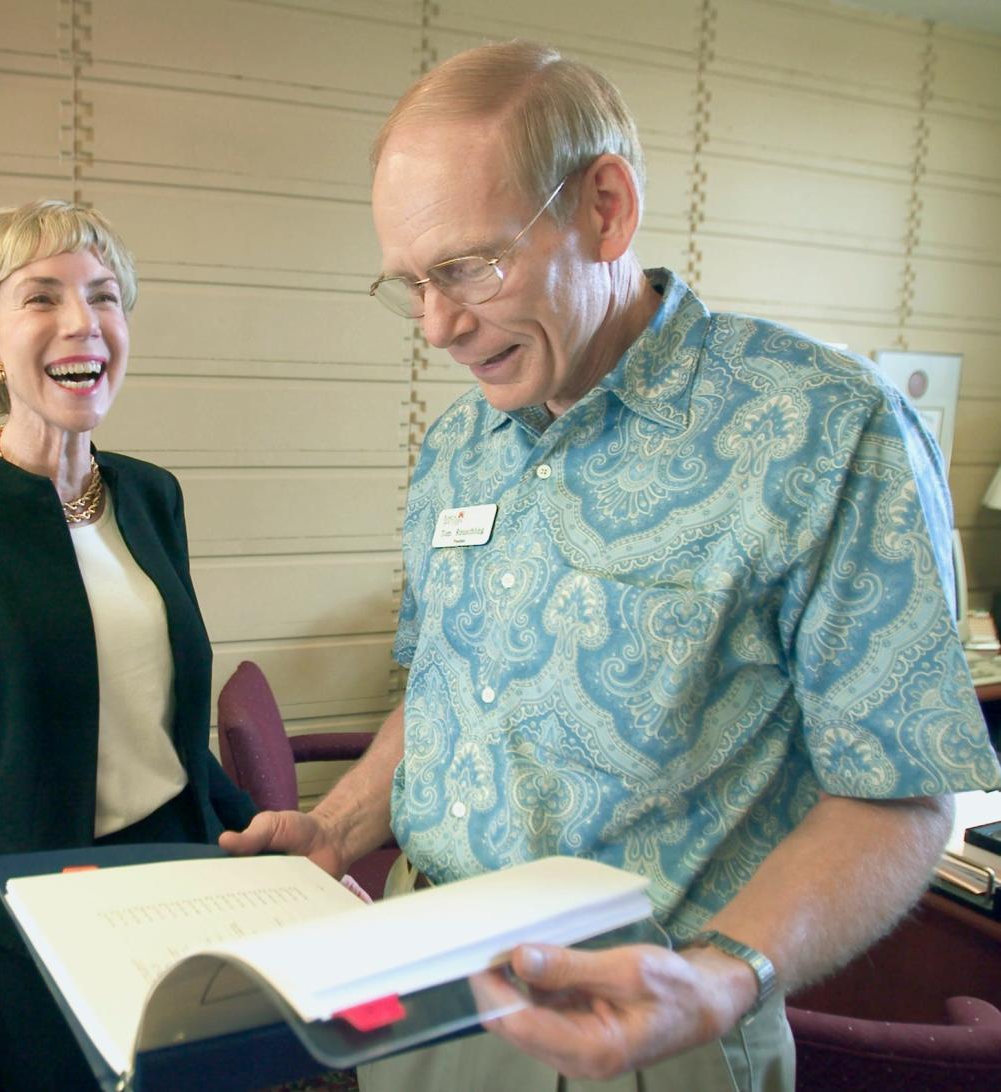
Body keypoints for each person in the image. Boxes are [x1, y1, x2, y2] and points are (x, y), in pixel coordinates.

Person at [222, 41, 1001, 1091]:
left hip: (645, 1020)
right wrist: (341, 821)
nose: (438, 327)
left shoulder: (823, 432)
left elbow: (902, 794)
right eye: (410, 284)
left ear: (605, 208)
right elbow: (448, 695)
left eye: (466, 267)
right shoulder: (460, 446)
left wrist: (729, 975)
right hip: (416, 969)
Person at [0, 200, 256, 1092]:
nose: (85, 322)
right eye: (42, 298)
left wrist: (252, 829)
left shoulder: (153, 497)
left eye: (105, 297)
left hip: (180, 884)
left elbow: (161, 729)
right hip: (35, 922)